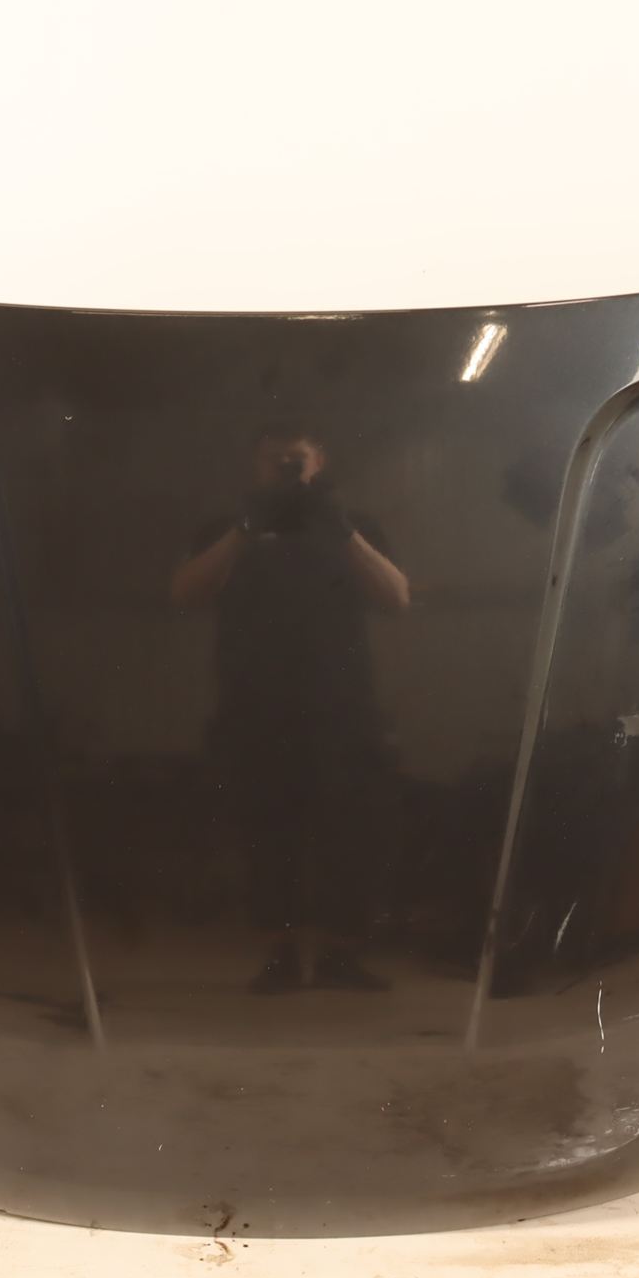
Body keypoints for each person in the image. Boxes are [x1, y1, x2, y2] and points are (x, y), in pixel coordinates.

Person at [170, 422, 409, 993]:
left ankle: (340, 956)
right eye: (273, 459)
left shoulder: (353, 524)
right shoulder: (228, 526)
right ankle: (278, 955)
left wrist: (341, 529)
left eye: (295, 458)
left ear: (318, 461)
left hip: (343, 709)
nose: (285, 468)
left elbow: (396, 597)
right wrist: (244, 529)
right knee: (265, 834)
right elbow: (184, 593)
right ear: (254, 465)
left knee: (349, 834)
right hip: (253, 708)